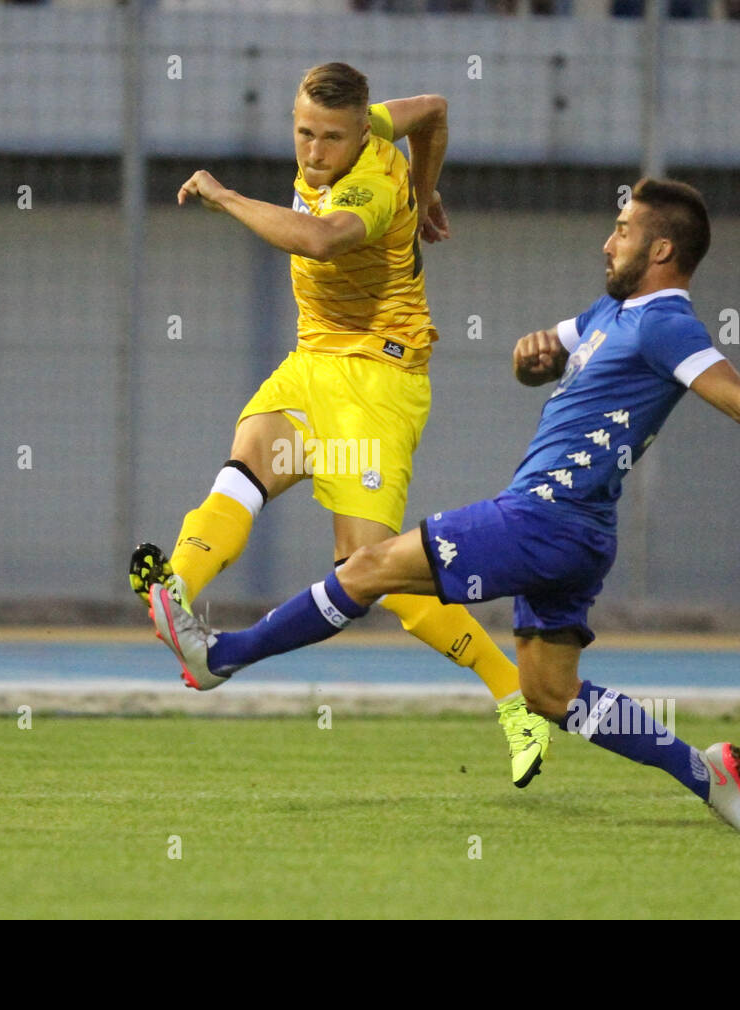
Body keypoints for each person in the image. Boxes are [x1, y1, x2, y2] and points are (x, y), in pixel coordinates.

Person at [144, 177, 740, 834]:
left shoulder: (666, 322)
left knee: (369, 565)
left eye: (621, 231)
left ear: (662, 253)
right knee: (550, 694)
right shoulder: (610, 314)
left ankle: (222, 659)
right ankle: (706, 774)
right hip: (577, 533)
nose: (605, 244)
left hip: (544, 517)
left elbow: (739, 399)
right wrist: (528, 357)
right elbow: (545, 354)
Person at [130, 62, 552, 788]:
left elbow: (320, 240)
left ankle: (515, 696)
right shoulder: (379, 122)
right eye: (303, 133)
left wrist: (227, 195)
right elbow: (436, 108)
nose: (314, 151)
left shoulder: (369, 186)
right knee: (246, 468)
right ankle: (178, 601)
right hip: (312, 362)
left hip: (377, 381)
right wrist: (430, 190)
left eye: (330, 138)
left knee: (375, 575)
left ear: (359, 133)